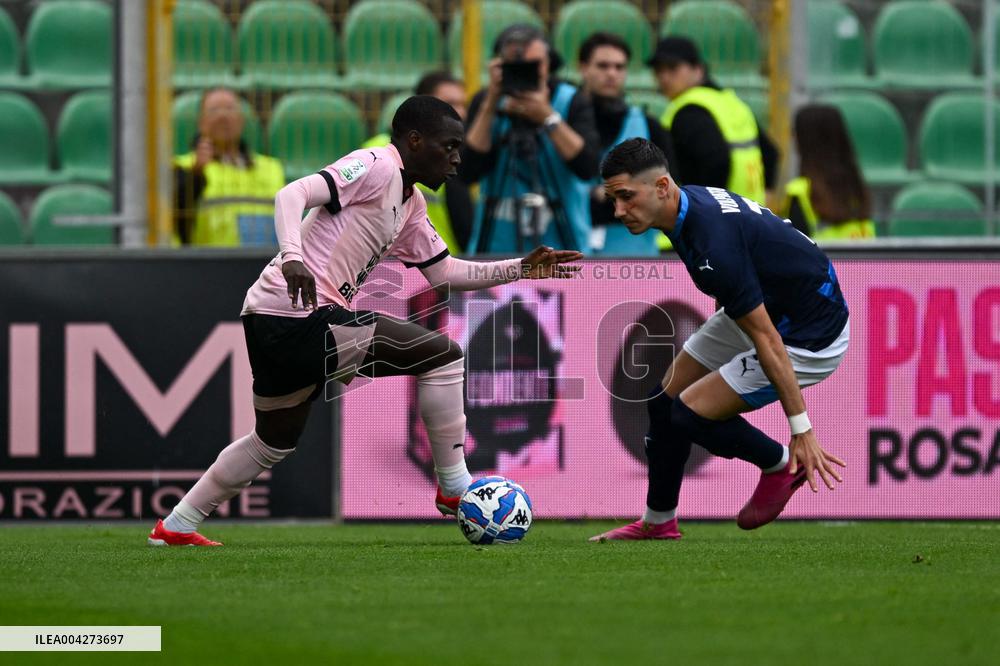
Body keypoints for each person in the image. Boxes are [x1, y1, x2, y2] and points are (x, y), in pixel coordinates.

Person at [148, 96, 582, 546]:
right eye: (448, 147)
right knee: (444, 356)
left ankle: (177, 525)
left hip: (269, 316)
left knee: (272, 442)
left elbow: (444, 273)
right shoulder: (375, 165)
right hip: (298, 311)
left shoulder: (411, 205)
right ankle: (454, 487)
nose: (456, 160)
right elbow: (291, 193)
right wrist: (293, 256)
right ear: (414, 141)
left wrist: (518, 268)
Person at [591, 139, 848, 541]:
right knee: (663, 403)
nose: (618, 211)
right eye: (613, 199)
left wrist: (802, 429)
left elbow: (767, 338)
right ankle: (658, 522)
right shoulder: (683, 207)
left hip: (808, 335)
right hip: (765, 305)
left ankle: (781, 464)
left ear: (661, 186)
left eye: (626, 197)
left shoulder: (713, 242)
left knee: (688, 413)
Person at [461, 24, 600, 255]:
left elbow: (587, 167)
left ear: (549, 64)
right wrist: (490, 104)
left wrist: (547, 116)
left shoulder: (571, 100)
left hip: (562, 250)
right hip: (496, 254)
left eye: (534, 64)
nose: (526, 72)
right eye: (517, 66)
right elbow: (466, 171)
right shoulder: (487, 102)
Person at [577, 31, 676, 255]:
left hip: (634, 258)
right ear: (582, 67)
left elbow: (670, 192)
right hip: (571, 257)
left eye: (619, 67)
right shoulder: (563, 123)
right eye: (603, 66)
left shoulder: (650, 126)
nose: (612, 74)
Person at [648, 37, 779, 206]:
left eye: (673, 68)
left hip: (719, 218)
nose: (664, 77)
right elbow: (771, 153)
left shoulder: (688, 111)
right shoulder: (731, 102)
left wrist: (706, 211)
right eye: (658, 70)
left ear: (698, 69)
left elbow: (716, 162)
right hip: (749, 214)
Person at [364, 71, 474, 253]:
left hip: (442, 265)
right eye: (450, 104)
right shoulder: (379, 148)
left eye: (463, 105)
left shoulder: (455, 155)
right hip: (390, 265)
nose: (460, 113)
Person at [174, 87, 285, 246]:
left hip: (266, 264)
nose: (223, 115)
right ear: (201, 123)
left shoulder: (272, 168)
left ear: (241, 120)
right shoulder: (184, 168)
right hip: (209, 265)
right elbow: (177, 221)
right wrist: (195, 177)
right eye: (214, 110)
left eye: (230, 109)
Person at [782, 104, 876, 240]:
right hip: (867, 262)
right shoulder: (857, 189)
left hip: (825, 261)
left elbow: (794, 254)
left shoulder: (799, 193)